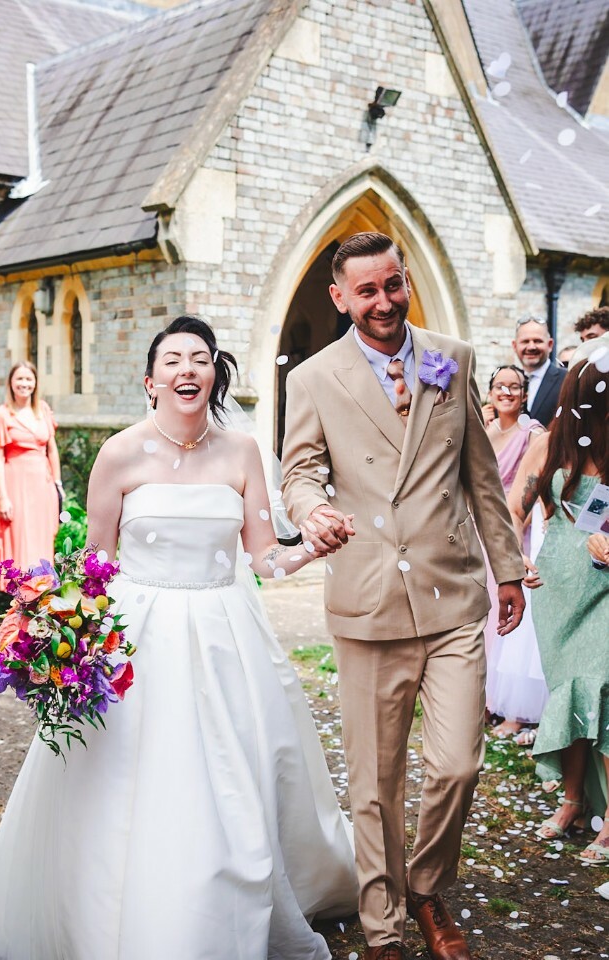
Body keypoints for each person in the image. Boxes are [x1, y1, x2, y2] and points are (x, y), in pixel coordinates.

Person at [0, 316, 359, 960]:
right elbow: (94, 565)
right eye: (172, 359)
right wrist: (53, 630)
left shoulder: (241, 452)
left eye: (200, 359)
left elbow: (263, 559)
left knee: (235, 770)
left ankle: (224, 893)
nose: (187, 369)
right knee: (130, 775)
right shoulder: (119, 453)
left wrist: (311, 547)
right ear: (151, 382)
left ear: (214, 375)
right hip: (137, 639)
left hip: (223, 630)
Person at [281, 232, 525, 960]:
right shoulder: (315, 377)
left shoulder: (453, 357)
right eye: (367, 291)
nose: (384, 302)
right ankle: (384, 923)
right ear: (340, 298)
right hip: (368, 602)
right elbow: (299, 471)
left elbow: (481, 473)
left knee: (457, 764)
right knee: (375, 782)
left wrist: (507, 567)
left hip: (452, 596)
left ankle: (426, 887)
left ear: (405, 278)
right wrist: (311, 512)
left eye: (393, 285)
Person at [507, 356, 608, 865]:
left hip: (605, 590)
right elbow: (513, 509)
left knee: (604, 691)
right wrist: (516, 555)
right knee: (568, 692)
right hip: (557, 588)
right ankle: (573, 800)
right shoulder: (549, 444)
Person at [481, 364, 548, 740]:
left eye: (515, 386)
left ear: (524, 394)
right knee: (481, 613)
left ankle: (511, 705)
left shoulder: (532, 433)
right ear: (490, 392)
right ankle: (485, 698)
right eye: (500, 386)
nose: (506, 392)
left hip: (512, 534)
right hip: (478, 528)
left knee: (504, 614)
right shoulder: (486, 431)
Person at [0, 362, 62, 579]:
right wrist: (2, 497)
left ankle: (42, 601)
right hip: (16, 485)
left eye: (28, 379)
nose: (24, 384)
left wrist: (58, 485)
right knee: (20, 541)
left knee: (42, 540)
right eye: (19, 379)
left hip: (43, 485)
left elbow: (52, 450)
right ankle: (19, 602)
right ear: (11, 383)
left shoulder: (43, 410)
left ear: (35, 383)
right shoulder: (1, 415)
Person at [512, 315, 566, 427]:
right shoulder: (507, 383)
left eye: (537, 341)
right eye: (525, 341)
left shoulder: (566, 380)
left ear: (550, 345)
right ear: (514, 345)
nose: (531, 347)